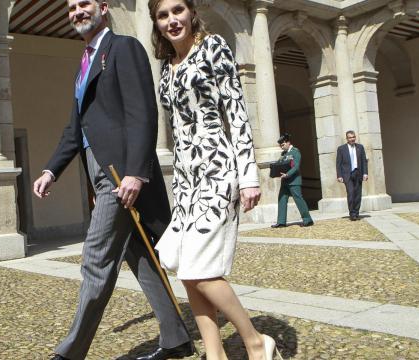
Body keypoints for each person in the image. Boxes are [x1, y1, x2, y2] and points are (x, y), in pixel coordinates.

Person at [33, 1, 192, 359]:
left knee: (95, 257)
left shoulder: (123, 47)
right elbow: (75, 129)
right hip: (100, 176)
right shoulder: (82, 67)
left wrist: (137, 171)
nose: (77, 11)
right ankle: (177, 338)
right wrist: (50, 170)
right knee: (140, 257)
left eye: (84, 3)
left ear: (103, 7)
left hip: (120, 176)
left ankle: (70, 353)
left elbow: (142, 110)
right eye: (71, 7)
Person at [149, 0, 281, 359]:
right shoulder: (167, 66)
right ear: (156, 23)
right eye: (163, 15)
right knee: (188, 270)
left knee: (202, 271)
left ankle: (256, 340)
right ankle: (215, 353)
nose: (172, 20)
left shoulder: (213, 47)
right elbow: (175, 127)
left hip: (218, 170)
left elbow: (236, 112)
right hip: (186, 180)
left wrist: (249, 176)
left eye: (178, 10)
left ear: (191, 12)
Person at [271, 133, 314, 228]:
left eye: (283, 145)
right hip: (285, 181)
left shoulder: (295, 152)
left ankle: (308, 220)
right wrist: (274, 170)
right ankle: (281, 221)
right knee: (282, 199)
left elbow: (296, 166)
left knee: (298, 199)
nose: (282, 147)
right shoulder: (283, 154)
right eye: (280, 145)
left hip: (294, 180)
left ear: (288, 142)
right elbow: (279, 164)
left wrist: (287, 174)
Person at [336, 130, 368, 221]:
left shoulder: (360, 147)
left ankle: (356, 212)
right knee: (351, 193)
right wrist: (339, 175)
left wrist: (365, 173)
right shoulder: (341, 149)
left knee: (358, 194)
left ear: (355, 137)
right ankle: (352, 213)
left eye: (353, 137)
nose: (352, 139)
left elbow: (364, 161)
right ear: (347, 139)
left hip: (358, 173)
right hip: (347, 174)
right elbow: (338, 163)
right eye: (350, 137)